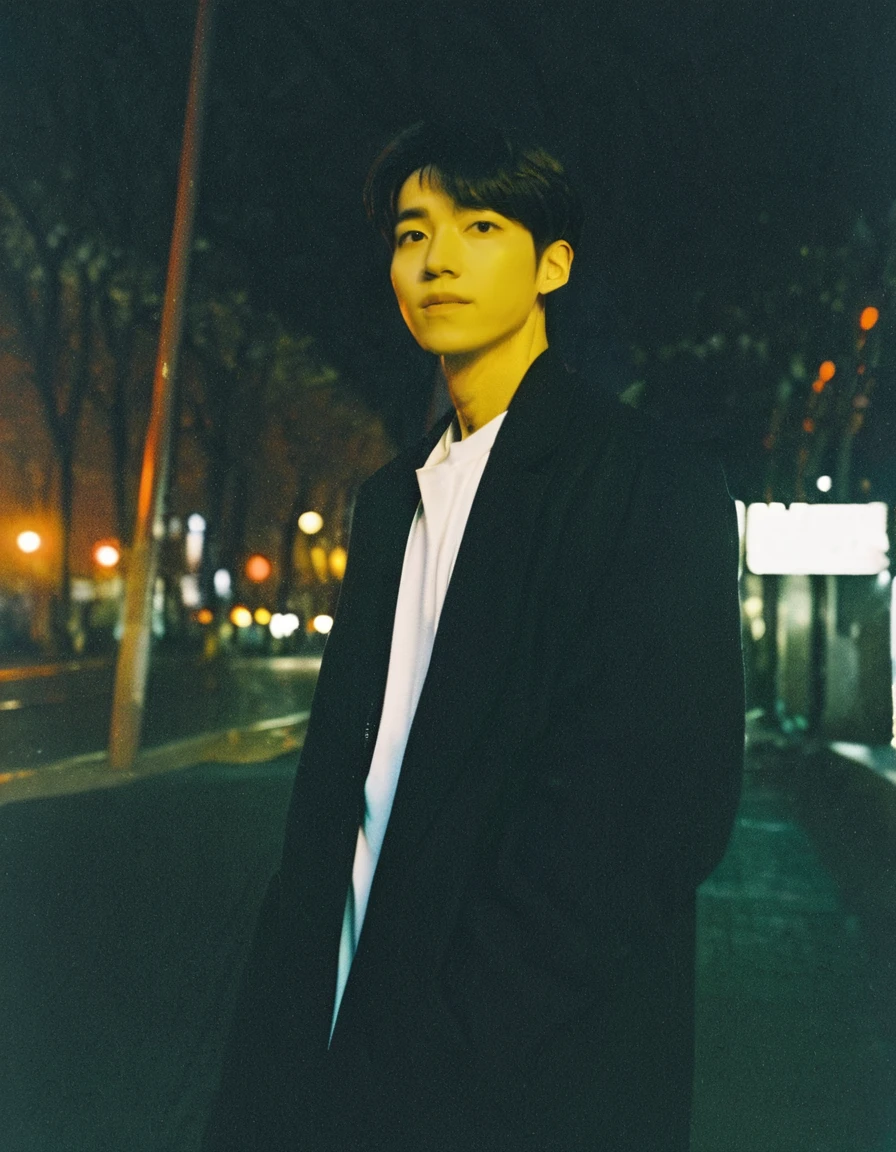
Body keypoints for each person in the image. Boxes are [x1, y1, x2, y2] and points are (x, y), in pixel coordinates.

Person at [203, 120, 745, 1152]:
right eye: (412, 234)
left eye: (479, 225)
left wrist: (441, 1043)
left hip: (511, 1079)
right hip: (325, 1060)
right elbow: (341, 812)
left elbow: (649, 820)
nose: (435, 260)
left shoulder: (646, 486)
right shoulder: (387, 500)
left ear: (551, 264)